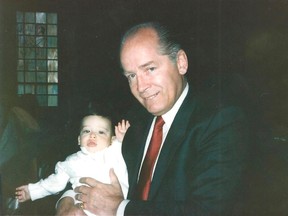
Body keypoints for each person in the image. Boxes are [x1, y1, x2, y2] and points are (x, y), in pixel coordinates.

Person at [56, 22, 251, 216]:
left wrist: (119, 208)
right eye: (132, 75)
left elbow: (207, 210)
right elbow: (92, 167)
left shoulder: (220, 121)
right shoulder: (135, 121)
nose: (140, 87)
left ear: (181, 62)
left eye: (149, 69)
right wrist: (67, 202)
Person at [15, 111, 130, 216]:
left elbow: (125, 147)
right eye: (86, 131)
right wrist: (32, 191)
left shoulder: (115, 152)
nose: (92, 135)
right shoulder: (71, 161)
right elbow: (55, 182)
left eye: (101, 132)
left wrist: (124, 138)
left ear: (111, 139)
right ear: (79, 139)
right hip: (84, 211)